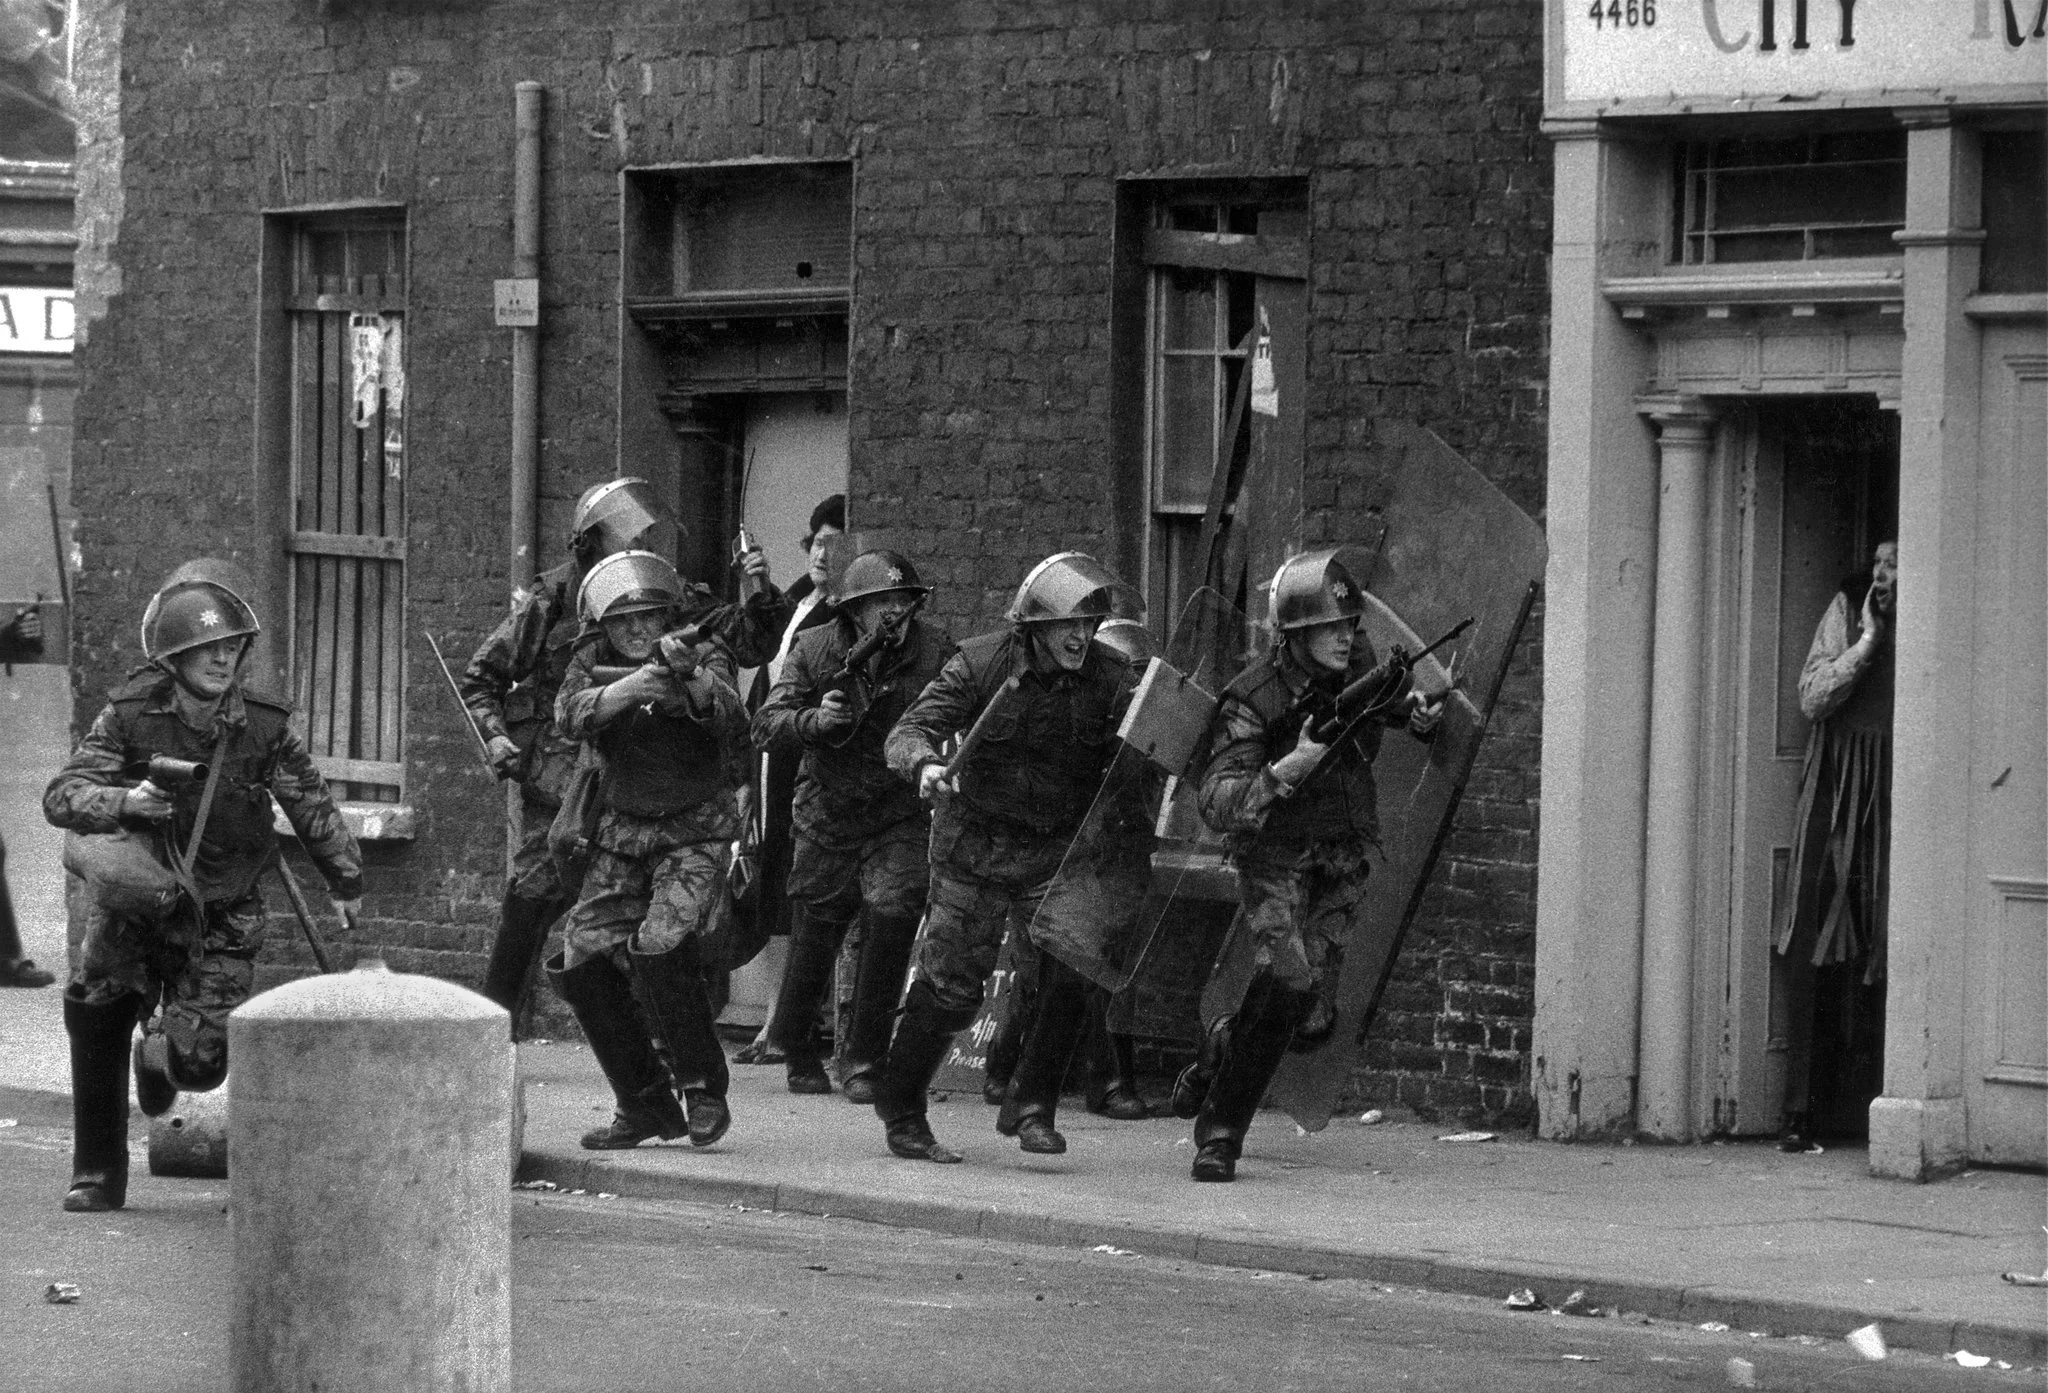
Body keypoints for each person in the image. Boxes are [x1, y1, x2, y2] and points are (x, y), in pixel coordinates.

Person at [44, 567, 361, 1211]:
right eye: (205, 649)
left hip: (223, 909)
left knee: (200, 1063)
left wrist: (345, 877)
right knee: (96, 1012)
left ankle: (162, 1062)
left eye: (231, 647)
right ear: (173, 658)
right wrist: (125, 801)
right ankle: (97, 1173)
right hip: (138, 901)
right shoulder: (129, 716)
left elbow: (309, 801)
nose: (221, 659)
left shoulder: (264, 727)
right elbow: (62, 796)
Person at [460, 477, 773, 1036]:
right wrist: (495, 736)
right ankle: (494, 1029)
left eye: (646, 530)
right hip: (566, 776)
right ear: (591, 539)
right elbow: (483, 677)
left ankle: (662, 1044)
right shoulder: (554, 598)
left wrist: (758, 592)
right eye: (626, 529)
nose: (641, 539)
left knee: (662, 917)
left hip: (650, 774)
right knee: (535, 891)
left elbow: (747, 644)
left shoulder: (669, 589)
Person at [1182, 548, 1440, 1182]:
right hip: (1276, 858)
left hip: (1341, 854)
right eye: (1329, 628)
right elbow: (1217, 802)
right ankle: (1220, 1136)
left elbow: (1385, 706)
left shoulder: (1356, 676)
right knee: (1289, 980)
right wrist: (1288, 767)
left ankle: (1223, 1043)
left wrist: (1416, 715)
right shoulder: (1253, 699)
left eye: (1349, 626)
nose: (1345, 638)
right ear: (1294, 635)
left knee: (1312, 1018)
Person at [872, 552, 1139, 1163]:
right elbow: (907, 731)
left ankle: (1032, 1105)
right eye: (1068, 623)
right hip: (976, 850)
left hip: (1054, 852)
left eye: (1090, 623)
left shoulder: (1111, 675)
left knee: (1073, 966)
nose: (1081, 636)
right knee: (952, 988)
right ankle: (903, 1107)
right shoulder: (981, 663)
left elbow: (1148, 738)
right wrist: (925, 765)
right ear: (1034, 626)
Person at [546, 550, 750, 1150]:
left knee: (662, 943)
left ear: (668, 616)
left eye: (648, 617)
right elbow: (568, 714)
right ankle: (643, 1104)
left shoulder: (705, 650)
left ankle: (702, 1088)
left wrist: (691, 681)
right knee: (581, 955)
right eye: (622, 620)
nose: (637, 630)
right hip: (621, 830)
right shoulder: (591, 659)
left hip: (694, 829)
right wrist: (630, 688)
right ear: (602, 626)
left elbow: (733, 717)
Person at [751, 549, 954, 1100]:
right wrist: (814, 721)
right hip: (829, 808)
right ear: (854, 611)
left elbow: (965, 704)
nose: (895, 613)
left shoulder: (936, 650)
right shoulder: (815, 646)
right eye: (882, 603)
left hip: (896, 808)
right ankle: (797, 1049)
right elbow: (767, 723)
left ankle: (865, 1059)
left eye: (903, 601)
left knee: (895, 912)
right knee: (818, 924)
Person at [1775, 539, 1896, 1152]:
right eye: (1878, 562)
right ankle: (1801, 1110)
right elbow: (1812, 696)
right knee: (1814, 936)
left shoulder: (1938, 614)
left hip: (1896, 796)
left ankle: (1880, 1106)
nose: (1882, 574)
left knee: (1885, 940)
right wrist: (1867, 643)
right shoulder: (1848, 607)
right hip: (1834, 789)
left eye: (1895, 564)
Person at [732, 493, 846, 1066]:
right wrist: (754, 582)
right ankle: (775, 1018)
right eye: (816, 542)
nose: (822, 554)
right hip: (772, 763)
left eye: (835, 545)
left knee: (806, 887)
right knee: (773, 883)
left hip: (810, 764)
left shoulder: (846, 615)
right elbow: (762, 674)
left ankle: (795, 1020)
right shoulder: (799, 600)